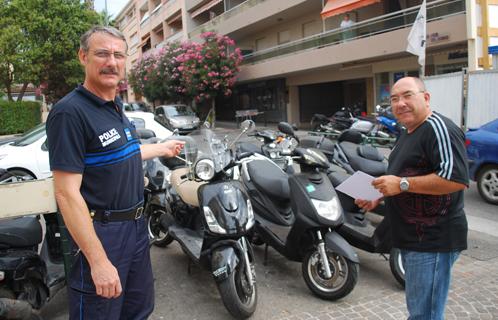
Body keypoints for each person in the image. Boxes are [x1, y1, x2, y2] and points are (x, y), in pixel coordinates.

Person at [46, 26, 184, 319]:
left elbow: (121, 155)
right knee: (101, 312)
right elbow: (66, 193)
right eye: (102, 53)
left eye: (118, 55)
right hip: (101, 234)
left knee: (138, 309)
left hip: (135, 228)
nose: (112, 61)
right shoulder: (70, 112)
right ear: (83, 57)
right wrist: (97, 261)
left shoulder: (115, 105)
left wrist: (161, 148)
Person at [356, 77, 469, 320]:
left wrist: (402, 184)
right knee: (420, 310)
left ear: (425, 98)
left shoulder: (440, 129)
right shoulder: (408, 131)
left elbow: (456, 180)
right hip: (412, 238)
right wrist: (378, 196)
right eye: (394, 99)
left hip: (433, 240)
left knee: (423, 315)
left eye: (408, 95)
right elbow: (403, 178)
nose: (400, 103)